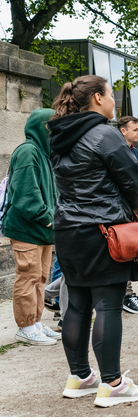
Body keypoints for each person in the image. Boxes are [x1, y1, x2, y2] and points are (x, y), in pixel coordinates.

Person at [49, 75, 138, 406]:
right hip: (102, 230)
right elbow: (131, 179)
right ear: (96, 98)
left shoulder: (60, 135)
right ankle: (113, 384)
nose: (113, 101)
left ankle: (80, 377)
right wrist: (135, 208)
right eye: (110, 95)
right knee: (107, 304)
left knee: (76, 304)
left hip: (67, 230)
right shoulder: (105, 133)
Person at [3, 108, 60, 345]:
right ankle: (25, 326)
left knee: (40, 277)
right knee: (28, 276)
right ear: (44, 127)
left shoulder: (45, 154)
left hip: (44, 229)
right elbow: (26, 194)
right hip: (28, 227)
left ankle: (35, 322)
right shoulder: (28, 151)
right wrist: (47, 217)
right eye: (55, 127)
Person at [117, 115, 138, 314]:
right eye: (135, 129)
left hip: (132, 208)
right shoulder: (115, 152)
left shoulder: (136, 154)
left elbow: (137, 181)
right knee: (121, 251)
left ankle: (127, 292)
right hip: (117, 210)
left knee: (131, 252)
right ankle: (125, 294)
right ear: (123, 130)